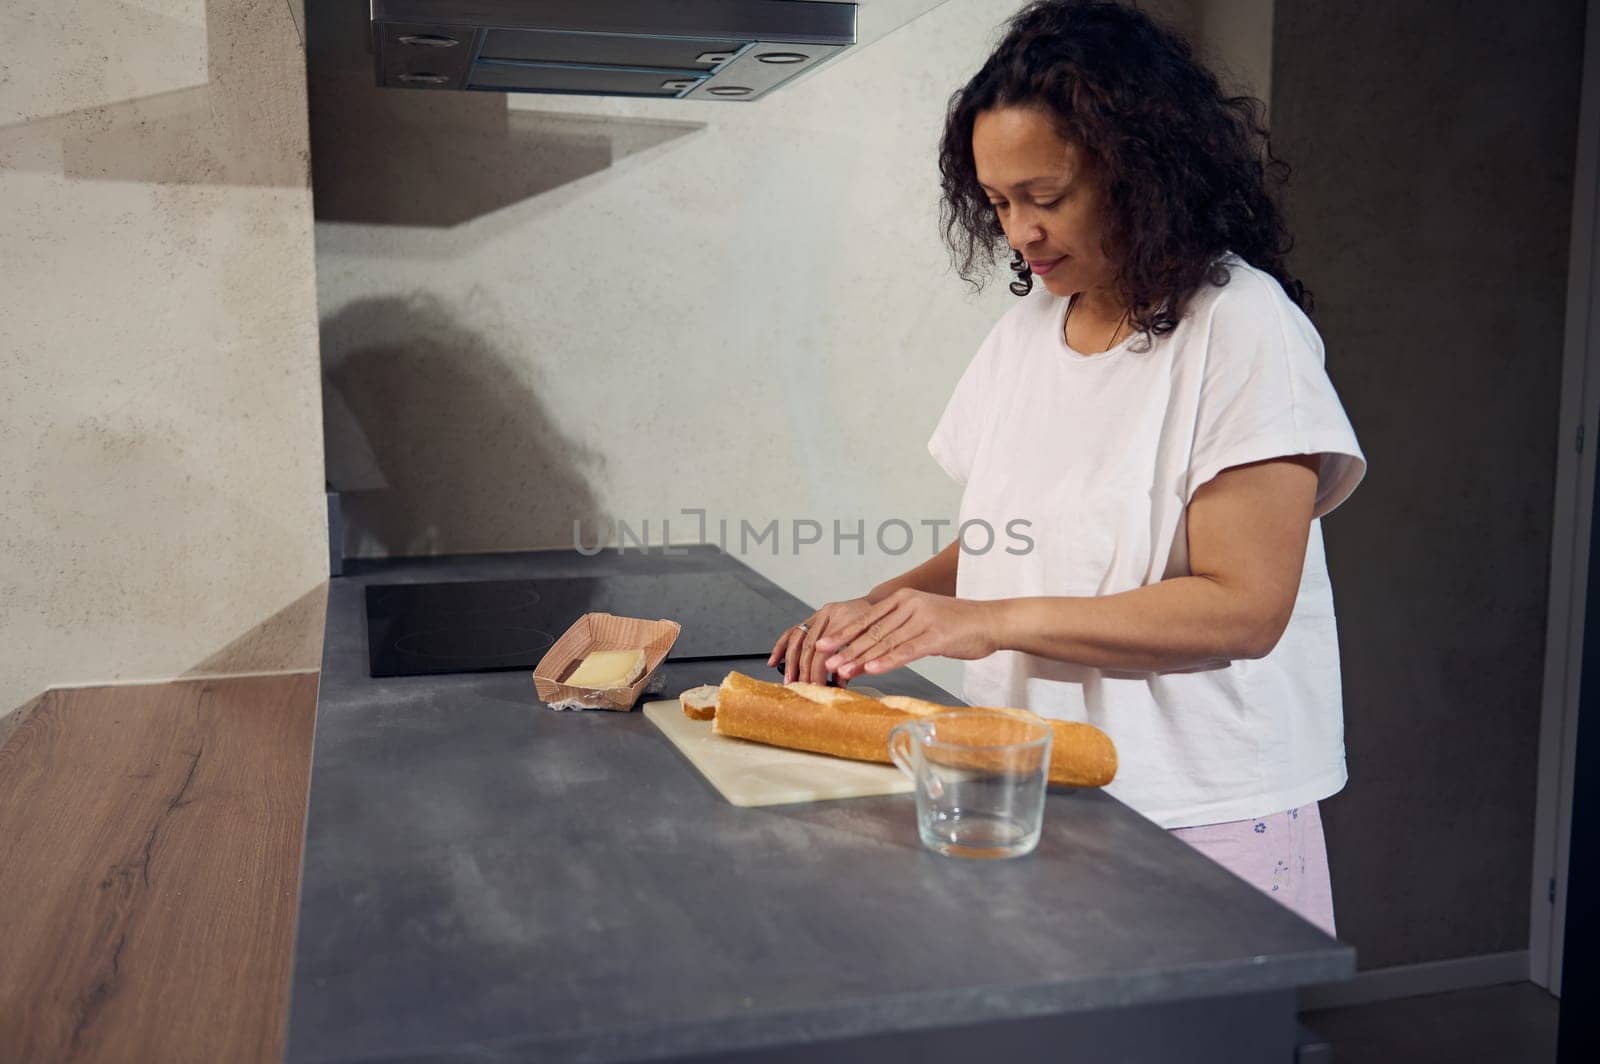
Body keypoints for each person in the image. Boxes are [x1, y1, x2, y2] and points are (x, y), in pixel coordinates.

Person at [765, 0, 1365, 936]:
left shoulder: (1245, 331)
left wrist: (983, 623)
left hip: (1199, 808)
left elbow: (1246, 608)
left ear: (1143, 172)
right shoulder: (1027, 334)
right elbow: (1015, 542)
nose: (1021, 234)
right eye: (999, 204)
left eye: (1047, 198)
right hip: (1026, 786)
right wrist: (885, 611)